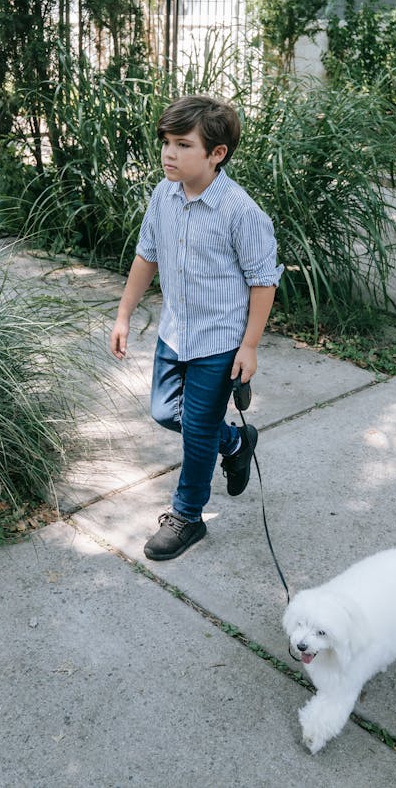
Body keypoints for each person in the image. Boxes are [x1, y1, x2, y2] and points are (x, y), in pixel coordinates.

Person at [109, 94, 283, 561]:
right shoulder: (163, 194)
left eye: (183, 145)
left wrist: (249, 347)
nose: (169, 153)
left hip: (220, 342)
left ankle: (187, 515)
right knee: (167, 414)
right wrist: (124, 314)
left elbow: (263, 282)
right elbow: (147, 254)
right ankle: (236, 440)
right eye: (166, 142)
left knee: (198, 431)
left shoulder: (240, 212)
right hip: (175, 333)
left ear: (216, 153)